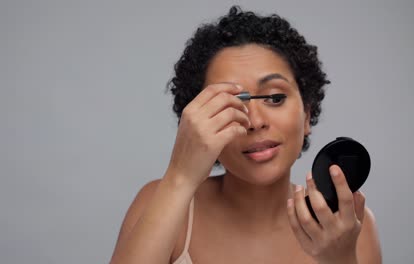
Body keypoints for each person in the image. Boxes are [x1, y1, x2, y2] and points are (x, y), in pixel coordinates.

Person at [110, 6, 382, 264]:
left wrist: (340, 260)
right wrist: (180, 176)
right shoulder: (160, 201)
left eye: (275, 98)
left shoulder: (351, 224)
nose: (254, 121)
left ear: (307, 114)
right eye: (230, 103)